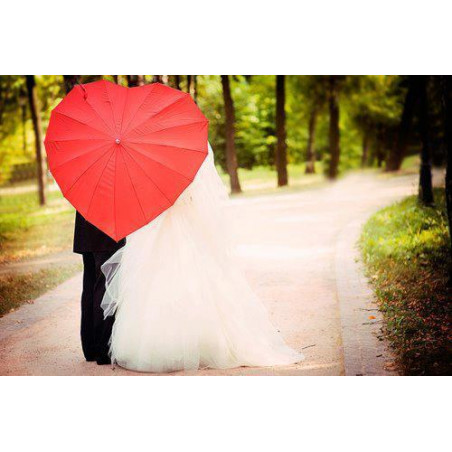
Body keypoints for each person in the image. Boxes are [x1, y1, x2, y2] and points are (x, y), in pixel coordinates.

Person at [101, 144, 303, 373]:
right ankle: (181, 341)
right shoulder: (187, 145)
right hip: (164, 225)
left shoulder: (161, 146)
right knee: (167, 280)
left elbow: (188, 194)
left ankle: (174, 344)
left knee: (171, 279)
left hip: (171, 225)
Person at [73, 213, 125, 365]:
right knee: (104, 286)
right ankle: (102, 349)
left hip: (86, 226)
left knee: (90, 284)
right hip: (106, 230)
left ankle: (90, 348)